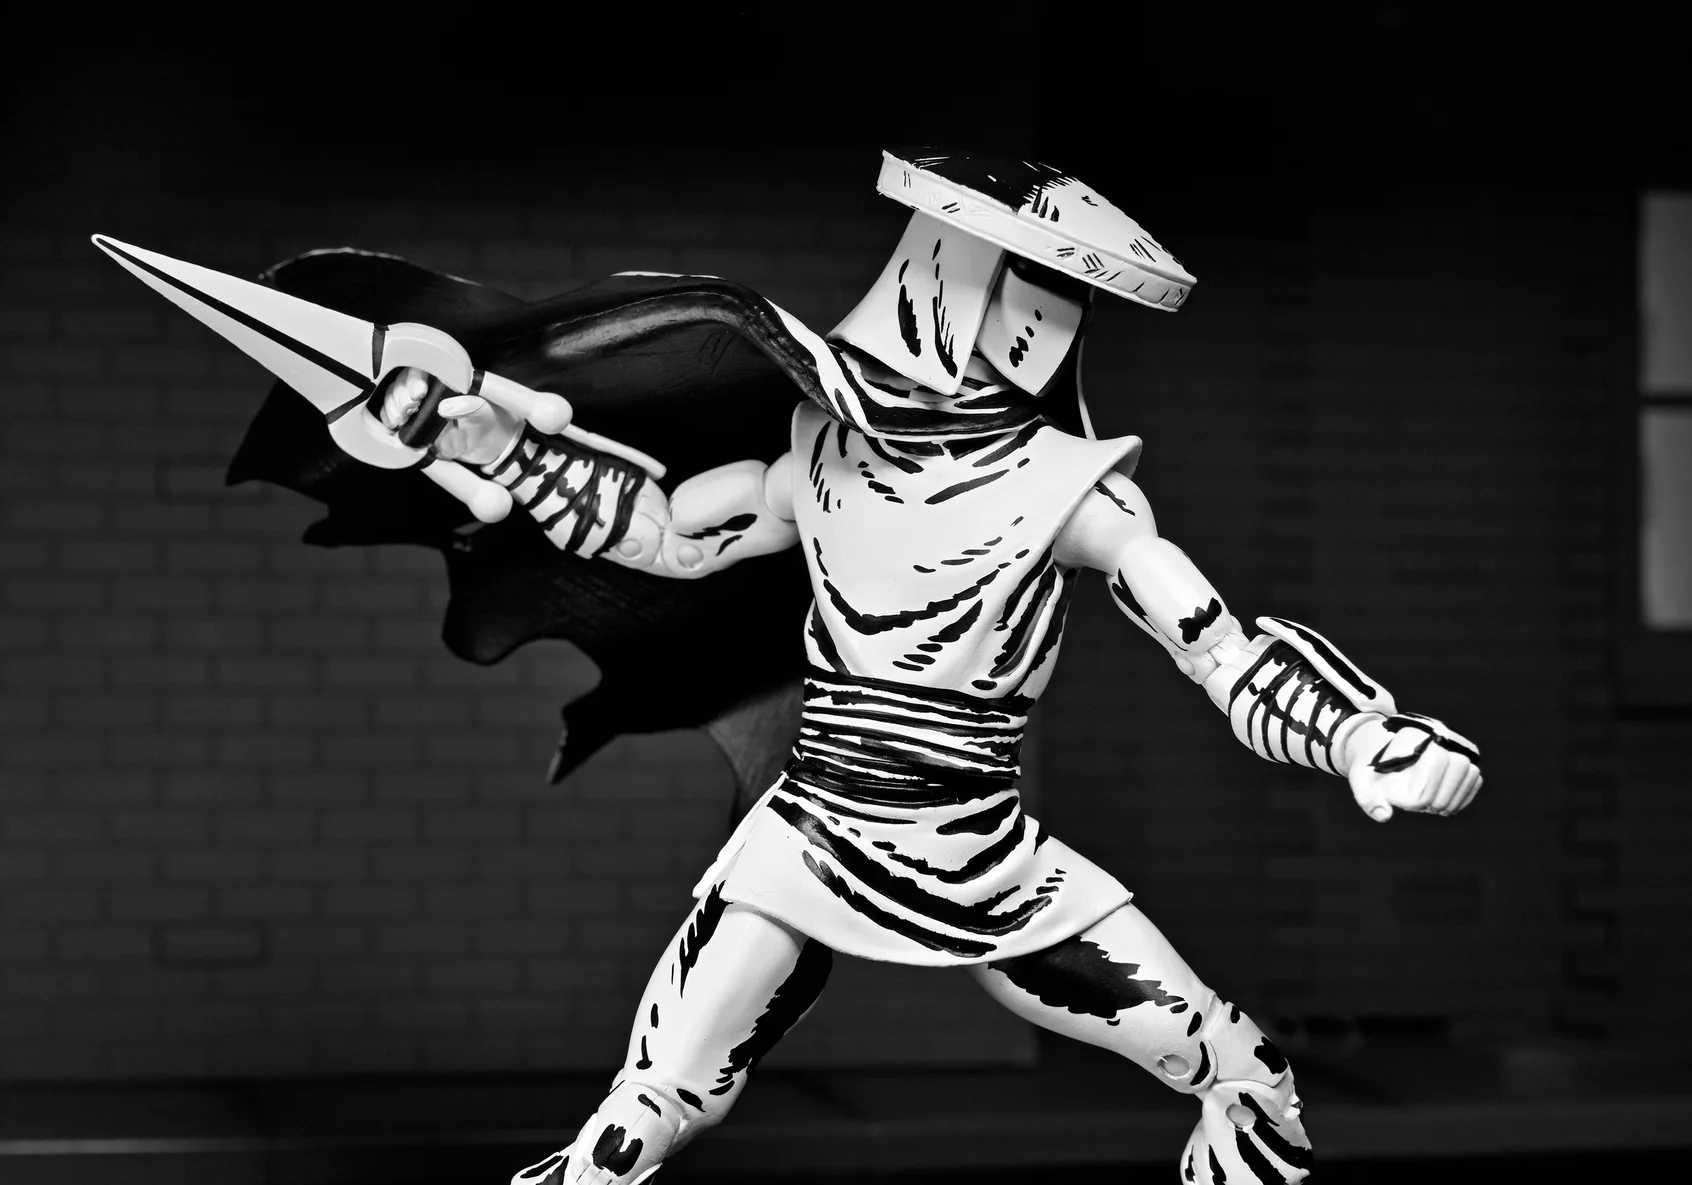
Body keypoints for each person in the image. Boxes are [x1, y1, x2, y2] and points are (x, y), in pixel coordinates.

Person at [376, 151, 1483, 1185]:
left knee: (1244, 1075)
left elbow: (1213, 642)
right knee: (640, 1114)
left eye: (1060, 295)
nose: (1043, 319)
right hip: (814, 833)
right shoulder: (820, 453)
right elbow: (669, 533)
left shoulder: (1068, 491)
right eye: (1028, 284)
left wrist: (1360, 735)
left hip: (986, 854)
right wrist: (502, 449)